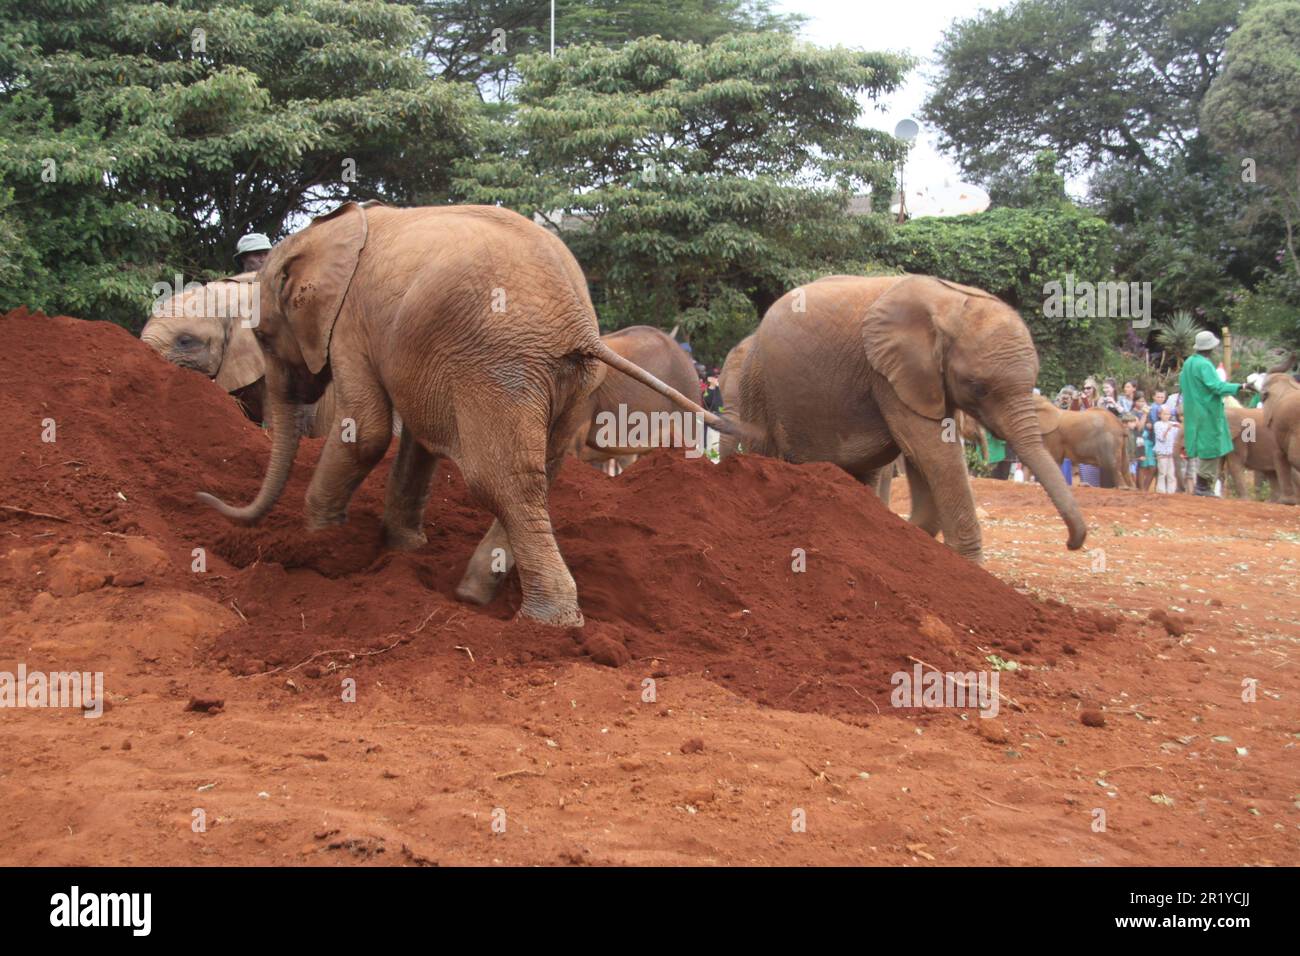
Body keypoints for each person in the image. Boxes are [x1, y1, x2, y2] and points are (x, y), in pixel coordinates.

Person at [1177, 330, 1250, 496]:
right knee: (1212, 446)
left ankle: (1203, 486)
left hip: (1193, 410)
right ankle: (1203, 486)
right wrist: (1241, 386)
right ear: (1209, 348)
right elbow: (1216, 386)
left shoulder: (1189, 363)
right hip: (1207, 410)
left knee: (1203, 444)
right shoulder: (1204, 364)